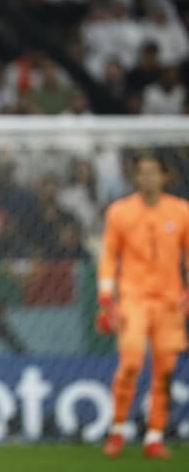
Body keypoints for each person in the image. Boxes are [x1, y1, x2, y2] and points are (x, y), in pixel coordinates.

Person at [96, 153, 189, 459]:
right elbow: (109, 254)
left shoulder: (181, 211)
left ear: (165, 177)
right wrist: (106, 295)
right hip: (133, 298)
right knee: (131, 364)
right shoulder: (120, 212)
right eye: (142, 172)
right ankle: (118, 430)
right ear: (135, 177)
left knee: (164, 372)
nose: (147, 178)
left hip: (169, 302)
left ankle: (154, 436)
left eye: (153, 172)